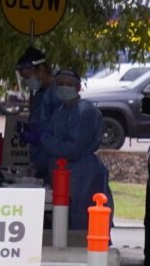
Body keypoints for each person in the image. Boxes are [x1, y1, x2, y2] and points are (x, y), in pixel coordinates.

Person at [40, 69, 112, 230]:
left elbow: (73, 149)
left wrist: (47, 141)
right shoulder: (60, 111)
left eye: (69, 84)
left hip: (83, 174)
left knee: (82, 222)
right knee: (64, 223)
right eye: (60, 84)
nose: (64, 87)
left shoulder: (84, 112)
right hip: (65, 174)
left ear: (79, 88)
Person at [15, 46, 58, 178]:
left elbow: (59, 128)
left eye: (28, 76)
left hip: (53, 159)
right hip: (40, 160)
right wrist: (29, 129)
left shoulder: (56, 94)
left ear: (42, 70)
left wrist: (39, 137)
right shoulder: (40, 95)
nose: (27, 82)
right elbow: (40, 121)